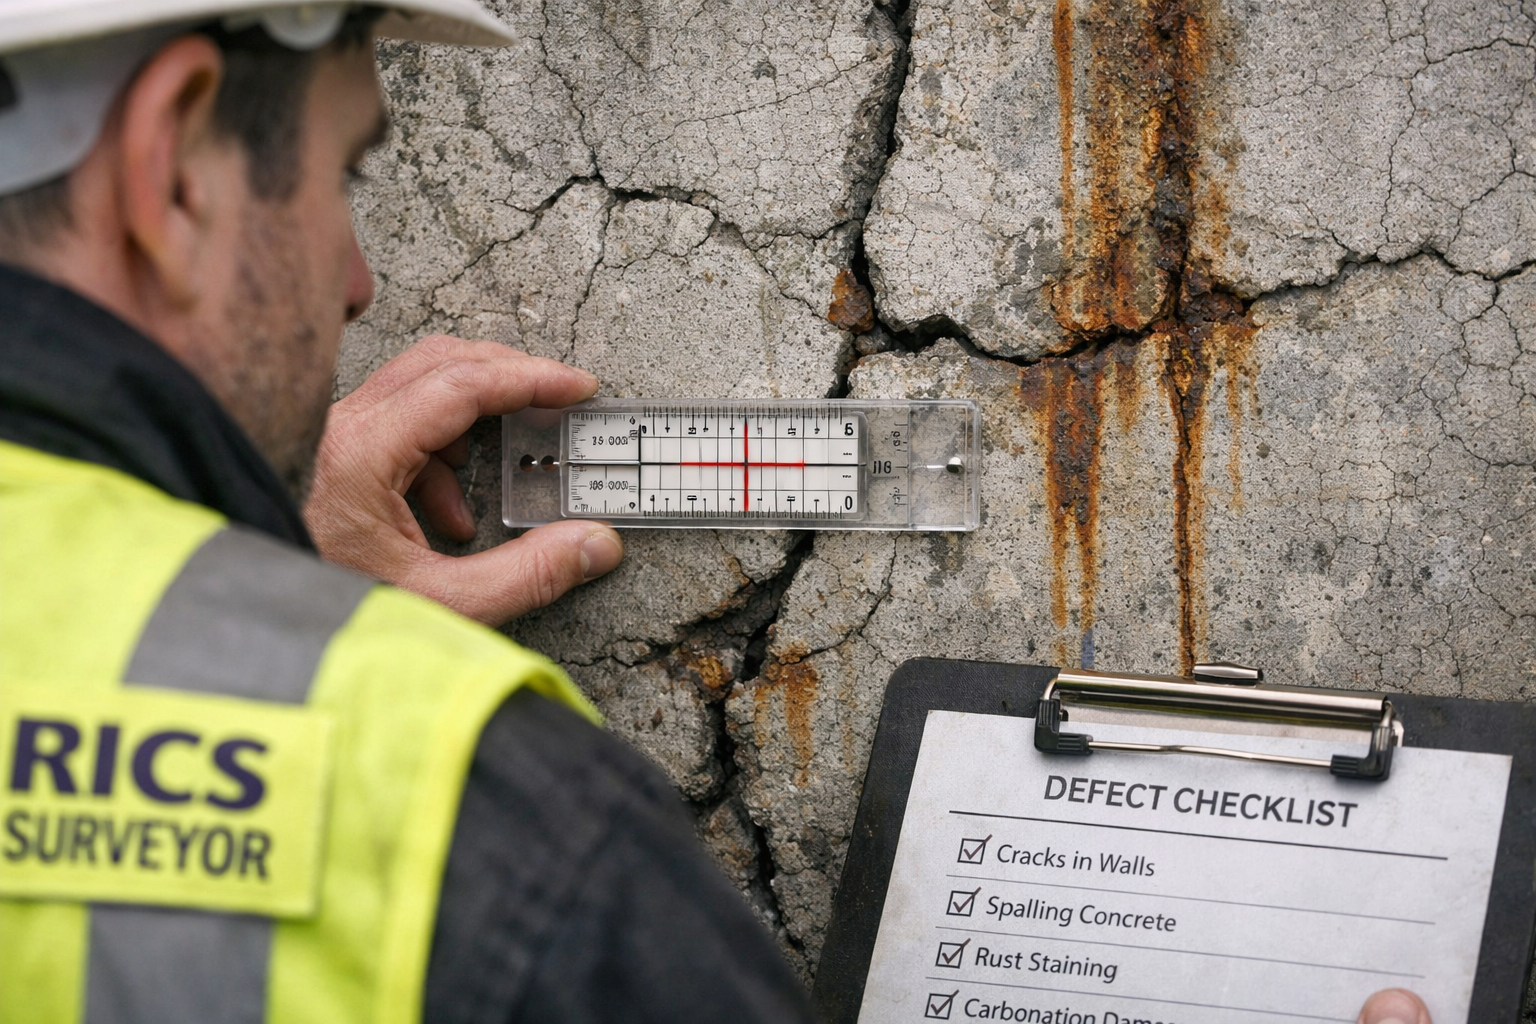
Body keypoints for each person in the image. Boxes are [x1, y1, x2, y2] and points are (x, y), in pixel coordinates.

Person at [0, 2, 1451, 1022]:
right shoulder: (473, 807)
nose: (361, 279)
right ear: (172, 162)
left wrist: (253, 577)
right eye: (344, 173)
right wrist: (271, 630)